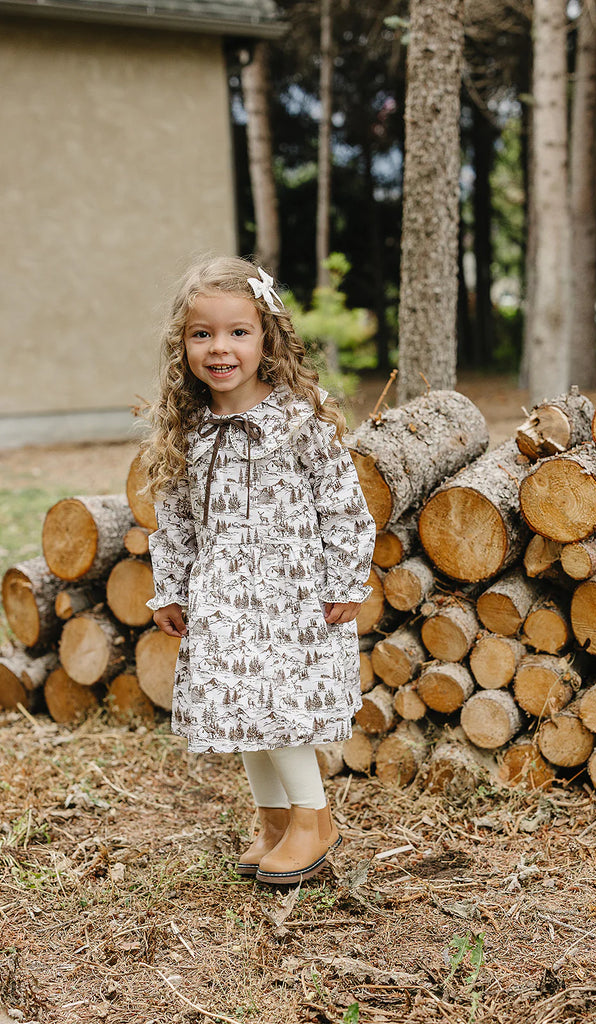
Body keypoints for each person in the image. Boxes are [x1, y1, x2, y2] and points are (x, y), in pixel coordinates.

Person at [141, 255, 376, 885]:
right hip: (222, 597)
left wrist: (346, 579)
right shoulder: (187, 428)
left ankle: (313, 819)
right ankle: (274, 820)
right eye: (202, 333)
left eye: (238, 332)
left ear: (267, 336)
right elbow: (179, 519)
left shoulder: (300, 417)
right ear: (182, 343)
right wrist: (170, 587)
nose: (220, 348)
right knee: (242, 708)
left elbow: (342, 503)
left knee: (278, 708)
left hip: (290, 597)